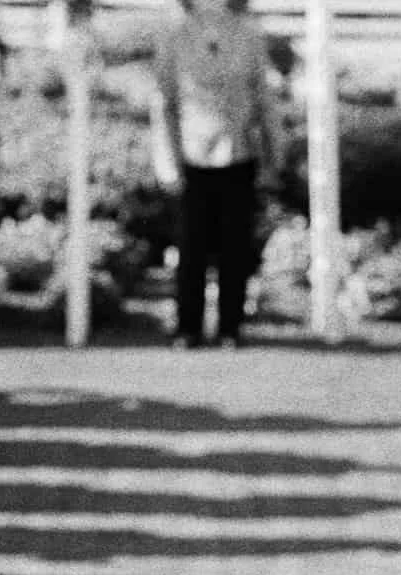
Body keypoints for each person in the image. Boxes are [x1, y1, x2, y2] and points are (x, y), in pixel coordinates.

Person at [153, 0, 280, 350]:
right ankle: (187, 327)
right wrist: (167, 160)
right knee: (190, 247)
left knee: (234, 247)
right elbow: (163, 101)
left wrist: (273, 154)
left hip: (237, 154)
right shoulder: (175, 34)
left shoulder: (248, 34)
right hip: (190, 157)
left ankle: (230, 327)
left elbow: (263, 98)